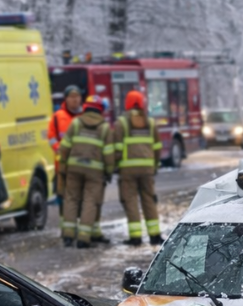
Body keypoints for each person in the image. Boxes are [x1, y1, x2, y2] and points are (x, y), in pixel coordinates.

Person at [107, 90, 163, 245]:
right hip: (147, 170)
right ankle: (155, 235)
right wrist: (155, 166)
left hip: (128, 170)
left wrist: (115, 166)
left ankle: (136, 237)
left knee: (130, 201)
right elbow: (157, 147)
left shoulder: (121, 123)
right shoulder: (150, 123)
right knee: (149, 200)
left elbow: (116, 148)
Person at [58, 95, 112, 248]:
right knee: (90, 201)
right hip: (95, 171)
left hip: (73, 168)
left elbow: (64, 147)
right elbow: (108, 153)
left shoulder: (76, 123)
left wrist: (63, 167)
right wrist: (108, 171)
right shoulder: (104, 127)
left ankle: (68, 236)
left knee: (71, 199)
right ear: (100, 109)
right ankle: (83, 238)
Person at [49, 85, 83, 197]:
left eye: (77, 96)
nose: (75, 99)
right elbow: (51, 136)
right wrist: (57, 148)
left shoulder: (85, 116)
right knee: (63, 197)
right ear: (66, 99)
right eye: (72, 96)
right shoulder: (57, 117)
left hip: (82, 164)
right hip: (63, 165)